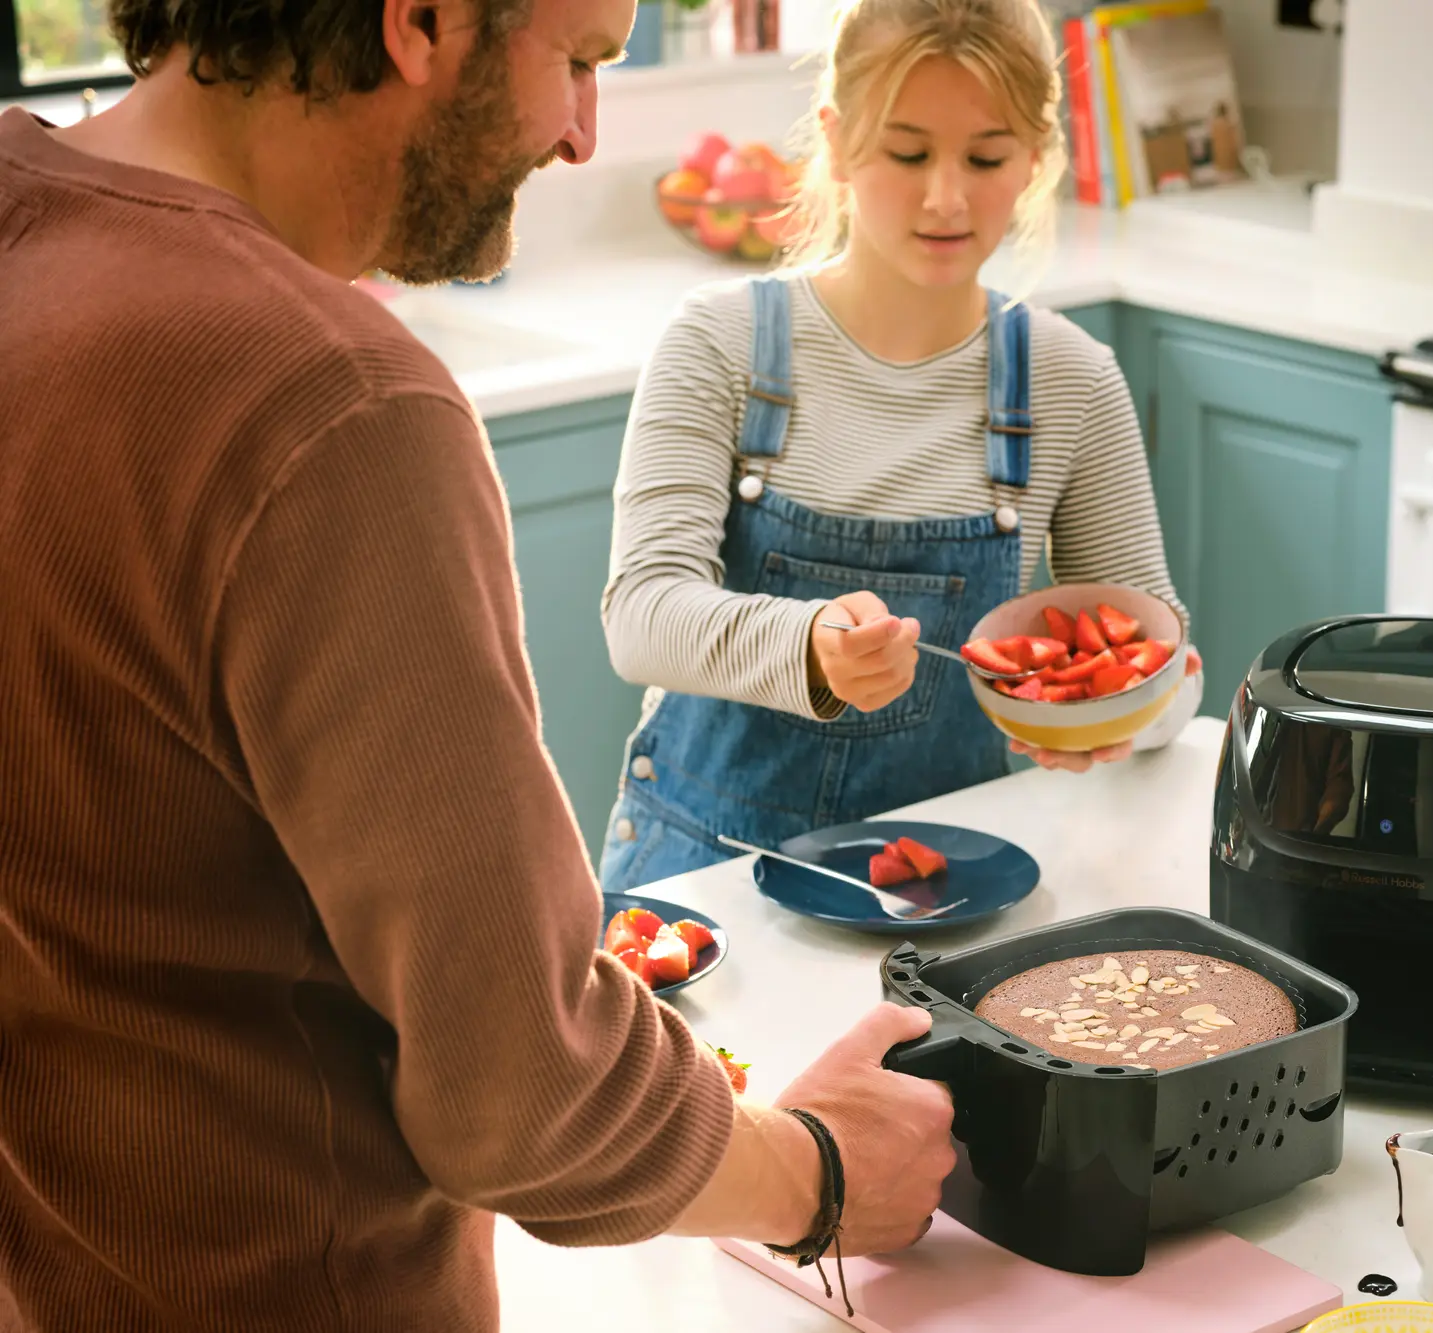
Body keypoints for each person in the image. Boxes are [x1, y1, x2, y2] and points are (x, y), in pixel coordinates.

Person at [0, 1, 953, 1329]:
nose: (581, 136)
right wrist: (822, 1169)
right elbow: (527, 1097)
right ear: (423, 21)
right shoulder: (329, 405)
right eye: (574, 61)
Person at [599, 0, 1202, 889]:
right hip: (702, 873)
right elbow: (641, 614)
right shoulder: (719, 344)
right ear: (836, 142)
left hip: (941, 889)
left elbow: (1160, 662)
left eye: (987, 157)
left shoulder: (1072, 380)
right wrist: (810, 646)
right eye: (909, 153)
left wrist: (1119, 716)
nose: (946, 197)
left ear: (1035, 156)